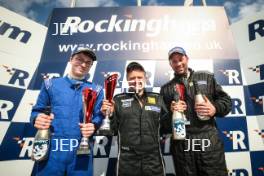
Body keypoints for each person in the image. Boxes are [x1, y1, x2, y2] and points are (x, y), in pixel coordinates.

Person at [30, 47, 104, 176]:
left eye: (88, 62)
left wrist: (94, 125)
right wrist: (37, 118)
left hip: (81, 152)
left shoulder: (97, 89)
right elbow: (37, 111)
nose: (83, 64)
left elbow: (99, 116)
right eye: (79, 59)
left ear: (91, 66)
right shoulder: (50, 84)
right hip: (52, 152)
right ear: (71, 59)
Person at [160, 46, 231, 176]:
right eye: (174, 61)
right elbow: (162, 124)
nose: (178, 63)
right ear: (170, 64)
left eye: (180, 59)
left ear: (187, 58)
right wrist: (171, 113)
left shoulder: (207, 77)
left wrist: (215, 108)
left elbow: (226, 101)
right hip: (182, 143)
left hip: (208, 140)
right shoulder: (166, 89)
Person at [101, 62, 168, 176]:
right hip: (127, 160)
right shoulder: (118, 100)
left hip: (153, 159)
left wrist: (175, 112)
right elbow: (111, 131)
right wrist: (109, 115)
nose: (136, 81)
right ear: (127, 80)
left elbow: (167, 127)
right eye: (132, 78)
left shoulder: (158, 99)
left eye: (139, 77)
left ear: (145, 78)